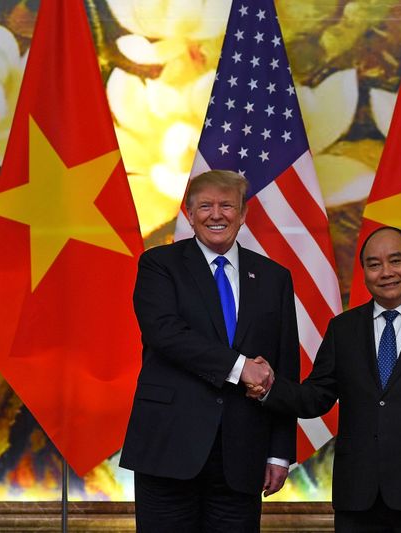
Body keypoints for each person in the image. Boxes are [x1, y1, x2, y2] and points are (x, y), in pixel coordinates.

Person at [251, 226, 401, 532]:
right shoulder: (343, 329)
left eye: (395, 261)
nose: (385, 272)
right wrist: (270, 387)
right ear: (364, 273)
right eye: (374, 265)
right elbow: (316, 396)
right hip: (358, 497)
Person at [119, 169, 299, 532]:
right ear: (189, 214)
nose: (216, 214)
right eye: (205, 206)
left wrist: (279, 452)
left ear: (243, 214)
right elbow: (165, 334)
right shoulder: (159, 265)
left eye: (226, 206)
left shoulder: (273, 277)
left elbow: (283, 366)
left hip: (243, 452)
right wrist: (240, 367)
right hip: (168, 446)